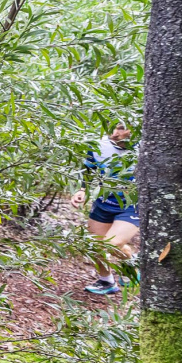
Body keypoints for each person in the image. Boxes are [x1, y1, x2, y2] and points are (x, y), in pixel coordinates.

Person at [70, 122, 139, 296]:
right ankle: (106, 281)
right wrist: (82, 189)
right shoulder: (99, 145)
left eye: (122, 128)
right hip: (104, 202)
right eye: (113, 128)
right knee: (95, 245)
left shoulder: (145, 147)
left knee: (112, 243)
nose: (115, 133)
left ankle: (130, 265)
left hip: (132, 205)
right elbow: (88, 167)